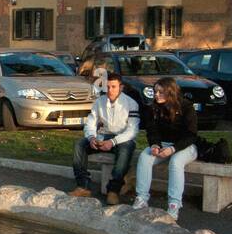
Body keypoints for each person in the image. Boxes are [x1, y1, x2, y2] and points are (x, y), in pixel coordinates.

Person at [133, 76, 199, 220]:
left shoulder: (186, 107)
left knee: (176, 162)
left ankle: (174, 204)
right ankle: (141, 198)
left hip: (185, 146)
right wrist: (155, 144)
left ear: (171, 93)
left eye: (161, 92)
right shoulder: (153, 108)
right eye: (155, 91)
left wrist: (173, 149)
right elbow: (152, 131)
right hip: (163, 144)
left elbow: (191, 135)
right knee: (145, 157)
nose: (156, 95)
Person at [71, 71, 139, 204]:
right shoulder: (99, 101)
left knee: (126, 148)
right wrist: (91, 137)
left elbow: (132, 131)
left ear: (121, 87)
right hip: (104, 136)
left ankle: (113, 191)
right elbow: (91, 122)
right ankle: (83, 186)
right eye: (107, 87)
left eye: (113, 87)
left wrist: (113, 142)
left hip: (122, 139)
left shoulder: (131, 104)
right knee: (80, 144)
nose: (110, 90)